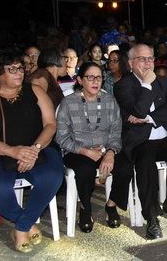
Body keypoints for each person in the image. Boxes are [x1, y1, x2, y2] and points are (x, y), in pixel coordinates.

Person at [0, 49, 63, 253]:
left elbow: (50, 124)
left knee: (52, 176)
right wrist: (11, 151)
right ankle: (27, 223)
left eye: (20, 68)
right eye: (12, 69)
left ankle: (21, 227)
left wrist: (34, 149)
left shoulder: (35, 91)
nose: (19, 73)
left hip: (37, 147)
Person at [109, 43, 167, 239]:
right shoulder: (122, 85)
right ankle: (152, 217)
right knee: (146, 166)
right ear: (130, 63)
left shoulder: (163, 82)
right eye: (142, 59)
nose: (148, 63)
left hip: (163, 135)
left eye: (150, 58)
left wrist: (149, 118)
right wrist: (146, 85)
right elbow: (137, 110)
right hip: (140, 140)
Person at [55, 62, 122, 232]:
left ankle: (111, 204)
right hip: (77, 150)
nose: (95, 81)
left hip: (105, 148)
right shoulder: (68, 103)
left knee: (126, 164)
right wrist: (86, 151)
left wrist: (110, 152)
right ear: (80, 80)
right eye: (90, 77)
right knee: (85, 170)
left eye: (98, 77)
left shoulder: (109, 100)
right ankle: (85, 209)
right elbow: (61, 138)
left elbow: (116, 131)